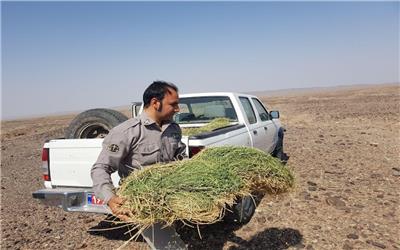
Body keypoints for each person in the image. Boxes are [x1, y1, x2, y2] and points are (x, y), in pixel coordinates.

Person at [91, 81, 185, 221]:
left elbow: (180, 159)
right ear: (155, 103)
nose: (177, 109)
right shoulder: (127, 132)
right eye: (173, 104)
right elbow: (100, 168)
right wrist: (110, 197)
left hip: (169, 199)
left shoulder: (173, 129)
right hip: (141, 203)